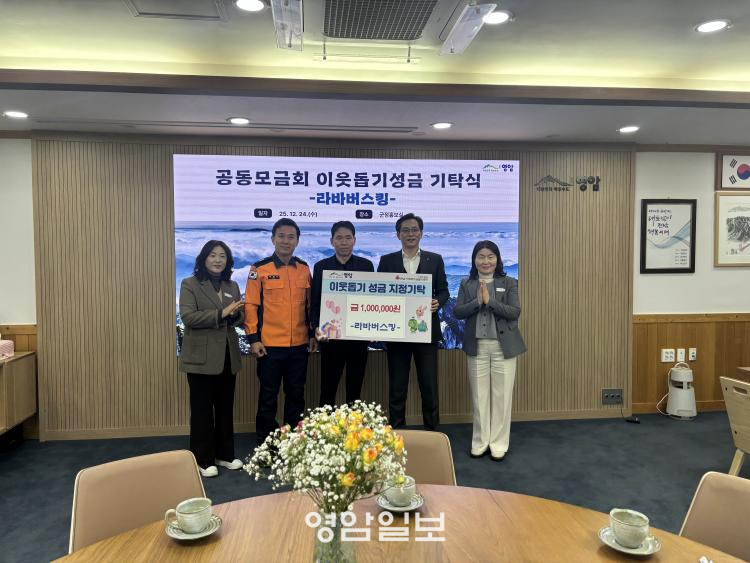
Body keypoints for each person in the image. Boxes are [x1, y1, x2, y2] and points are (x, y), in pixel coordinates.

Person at [244, 218, 317, 447]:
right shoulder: (259, 269)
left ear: (297, 241)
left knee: (296, 395)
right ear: (273, 239)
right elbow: (251, 305)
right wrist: (253, 339)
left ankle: (292, 443)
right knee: (268, 397)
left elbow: (310, 306)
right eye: (282, 236)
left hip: (299, 345)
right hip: (270, 346)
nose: (286, 241)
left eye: (291, 237)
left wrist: (312, 335)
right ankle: (266, 444)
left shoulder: (304, 269)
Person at [454, 240, 526, 462]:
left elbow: (514, 312)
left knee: (502, 397)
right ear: (474, 260)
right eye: (481, 256)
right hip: (477, 347)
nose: (486, 261)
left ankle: (498, 443)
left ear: (497, 259)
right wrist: (477, 302)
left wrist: (490, 301)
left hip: (503, 348)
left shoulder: (510, 282)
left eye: (490, 256)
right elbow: (458, 312)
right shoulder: (466, 283)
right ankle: (480, 441)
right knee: (480, 397)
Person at [179, 240, 245, 477]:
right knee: (202, 410)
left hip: (227, 356)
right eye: (213, 255)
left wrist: (235, 316)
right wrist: (222, 313)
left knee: (225, 408)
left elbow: (238, 318)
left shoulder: (232, 285)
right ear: (204, 258)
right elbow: (188, 317)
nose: (218, 260)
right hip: (200, 358)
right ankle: (202, 459)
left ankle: (225, 455)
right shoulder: (190, 284)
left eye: (223, 256)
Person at [377, 213, 449, 430]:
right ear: (398, 234)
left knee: (429, 386)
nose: (410, 234)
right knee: (397, 387)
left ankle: (432, 432)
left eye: (414, 229)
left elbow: (444, 290)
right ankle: (397, 433)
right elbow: (379, 292)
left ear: (421, 233)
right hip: (397, 333)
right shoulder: (387, 261)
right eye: (406, 230)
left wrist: (438, 301)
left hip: (426, 333)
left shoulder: (434, 259)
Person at [311, 221, 375, 407]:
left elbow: (372, 301)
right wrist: (316, 327)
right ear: (332, 241)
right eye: (339, 238)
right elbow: (315, 302)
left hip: (358, 338)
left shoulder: (366, 265)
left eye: (348, 238)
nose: (344, 242)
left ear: (354, 240)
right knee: (327, 389)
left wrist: (373, 326)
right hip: (330, 338)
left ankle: (353, 426)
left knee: (355, 390)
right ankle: (326, 425)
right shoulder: (321, 267)